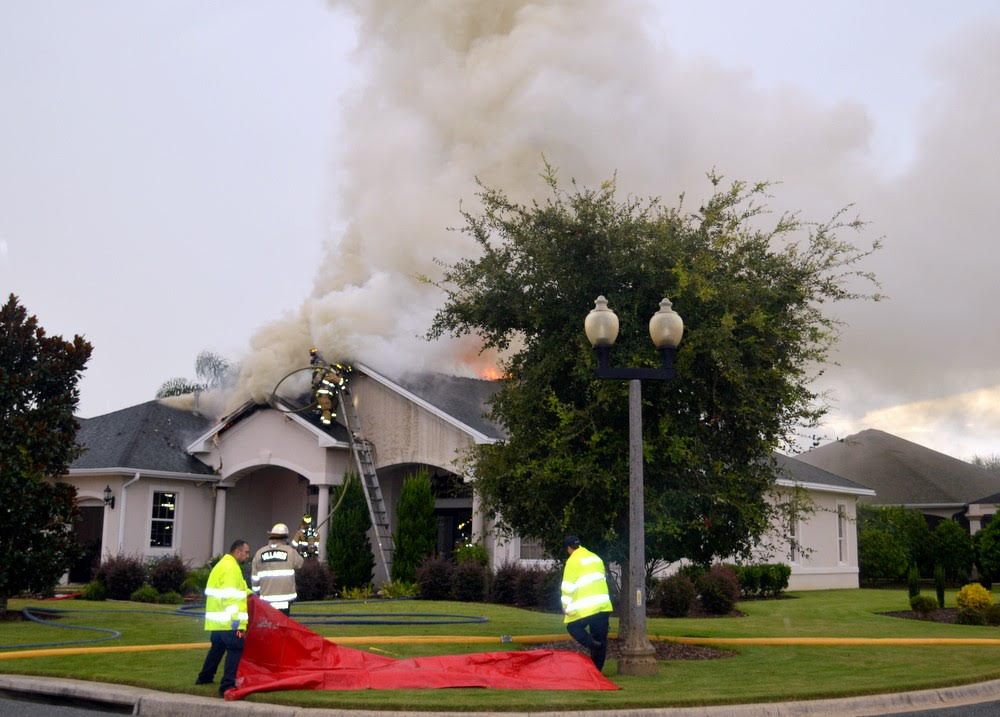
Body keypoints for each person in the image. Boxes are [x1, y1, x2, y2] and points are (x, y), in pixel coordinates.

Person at [196, 539, 251, 696]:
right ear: (237, 551)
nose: (247, 556)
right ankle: (227, 684)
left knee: (217, 649)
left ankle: (205, 677)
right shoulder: (231, 568)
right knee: (236, 648)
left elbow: (240, 589)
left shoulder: (222, 565)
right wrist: (236, 623)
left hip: (217, 621)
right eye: (246, 552)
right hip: (229, 621)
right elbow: (231, 597)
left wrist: (252, 595)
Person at [560, 535, 613, 671]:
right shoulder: (596, 558)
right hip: (603, 606)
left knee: (572, 627)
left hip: (586, 608)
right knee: (600, 640)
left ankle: (591, 643)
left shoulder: (573, 560)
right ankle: (597, 673)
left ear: (569, 548)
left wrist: (565, 606)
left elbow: (567, 587)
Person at [251, 522, 304, 616]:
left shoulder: (259, 553)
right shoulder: (290, 552)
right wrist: (293, 548)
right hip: (285, 600)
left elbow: (255, 578)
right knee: (283, 627)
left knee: (269, 627)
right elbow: (300, 564)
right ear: (286, 538)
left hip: (266, 600)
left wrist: (257, 594)